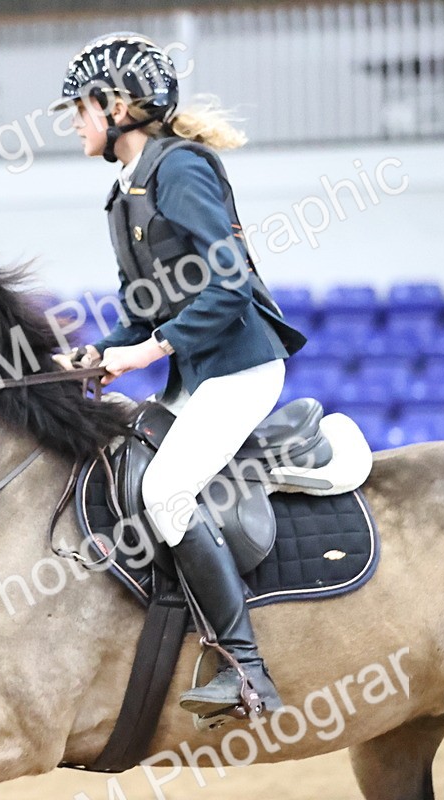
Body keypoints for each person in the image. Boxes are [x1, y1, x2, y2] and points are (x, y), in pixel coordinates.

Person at [49, 32, 308, 719]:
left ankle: (247, 669)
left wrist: (151, 350)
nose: (74, 121)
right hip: (194, 377)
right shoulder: (121, 196)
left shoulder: (180, 169)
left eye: (81, 106)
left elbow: (229, 285)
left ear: (120, 106)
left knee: (165, 489)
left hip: (242, 368)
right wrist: (97, 354)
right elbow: (140, 311)